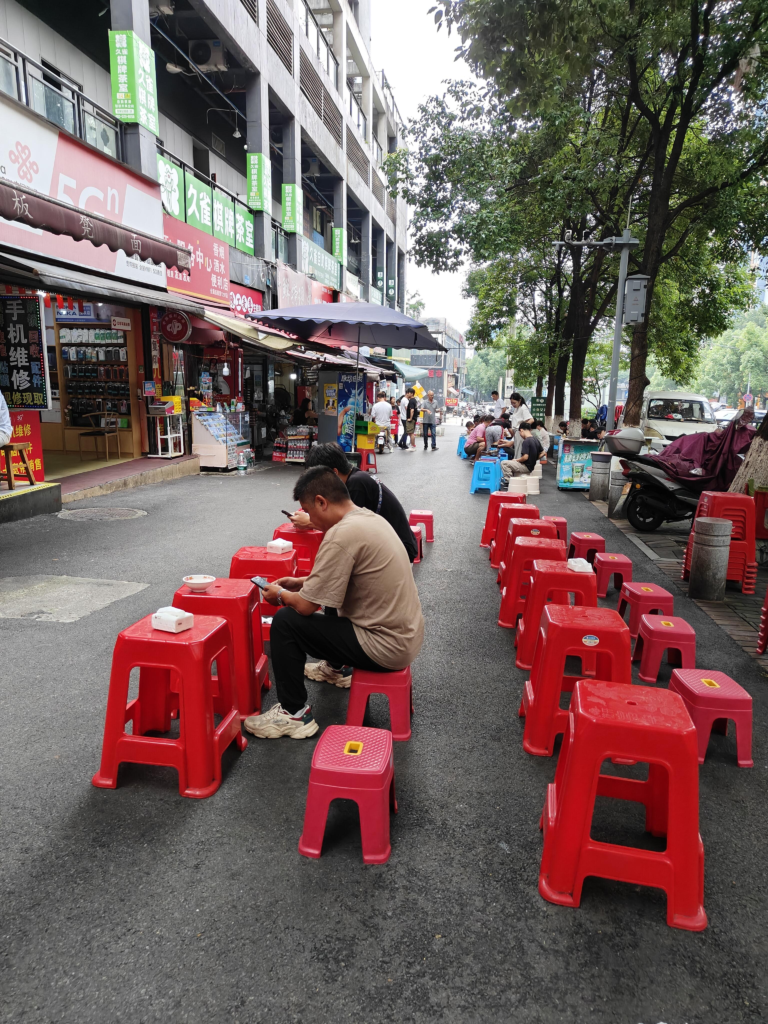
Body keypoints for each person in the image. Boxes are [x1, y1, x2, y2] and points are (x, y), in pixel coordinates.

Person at [244, 467, 425, 739]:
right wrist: (302, 581)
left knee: (286, 622)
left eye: (307, 510)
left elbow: (305, 607)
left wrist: (279, 595)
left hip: (384, 645)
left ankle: (292, 714)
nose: (308, 519)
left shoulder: (341, 535)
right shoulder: (367, 518)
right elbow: (341, 575)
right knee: (326, 601)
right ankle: (333, 668)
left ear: (321, 501)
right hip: (405, 635)